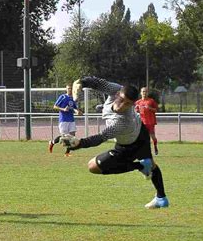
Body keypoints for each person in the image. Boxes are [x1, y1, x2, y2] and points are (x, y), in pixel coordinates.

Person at [65, 76, 169, 209]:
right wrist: (82, 82)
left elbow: (101, 137)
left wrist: (79, 144)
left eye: (127, 104)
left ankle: (140, 167)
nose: (122, 106)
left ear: (132, 105)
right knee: (151, 164)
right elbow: (98, 83)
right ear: (118, 94)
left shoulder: (123, 122)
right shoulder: (115, 88)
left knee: (92, 167)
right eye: (121, 100)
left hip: (129, 145)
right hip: (140, 130)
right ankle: (161, 198)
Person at [48, 84, 82, 156]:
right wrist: (63, 109)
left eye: (71, 88)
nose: (70, 90)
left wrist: (77, 112)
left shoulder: (73, 98)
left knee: (72, 136)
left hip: (71, 119)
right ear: (66, 89)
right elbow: (55, 106)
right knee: (65, 137)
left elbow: (74, 108)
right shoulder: (63, 97)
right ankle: (52, 142)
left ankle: (67, 153)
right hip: (63, 120)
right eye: (68, 88)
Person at [135, 86, 159, 155]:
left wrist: (149, 108)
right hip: (142, 122)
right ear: (140, 93)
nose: (144, 93)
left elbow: (156, 110)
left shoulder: (151, 101)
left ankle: (155, 147)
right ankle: (144, 151)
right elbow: (136, 112)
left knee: (152, 137)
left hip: (150, 122)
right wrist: (136, 109)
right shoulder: (138, 102)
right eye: (143, 91)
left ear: (147, 93)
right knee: (142, 137)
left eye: (146, 91)